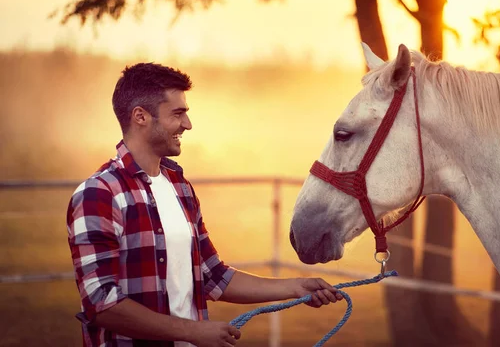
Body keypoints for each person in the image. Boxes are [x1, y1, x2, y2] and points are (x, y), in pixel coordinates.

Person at [66, 63, 343, 347]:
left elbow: (214, 275)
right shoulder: (99, 194)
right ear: (141, 117)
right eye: (178, 113)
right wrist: (192, 332)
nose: (187, 124)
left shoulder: (179, 186)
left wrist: (296, 287)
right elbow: (102, 303)